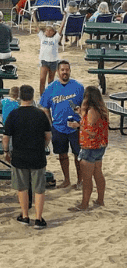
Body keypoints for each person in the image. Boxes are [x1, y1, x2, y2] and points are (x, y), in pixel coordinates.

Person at [2, 84, 52, 228]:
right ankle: (38, 218)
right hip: (37, 154)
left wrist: (6, 151)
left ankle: (25, 215)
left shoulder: (14, 114)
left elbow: (6, 137)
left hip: (19, 155)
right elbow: (47, 135)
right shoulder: (40, 114)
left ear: (19, 97)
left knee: (22, 187)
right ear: (32, 96)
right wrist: (43, 145)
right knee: (39, 188)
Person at [39, 60, 84, 189]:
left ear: (70, 71)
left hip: (75, 127)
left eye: (67, 69)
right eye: (62, 70)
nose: (65, 72)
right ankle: (66, 179)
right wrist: (50, 123)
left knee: (78, 155)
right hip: (58, 127)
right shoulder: (51, 88)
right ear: (58, 71)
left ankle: (80, 180)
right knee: (62, 155)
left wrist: (81, 122)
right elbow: (45, 107)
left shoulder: (79, 87)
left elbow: (85, 107)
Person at [70, 85, 108, 211]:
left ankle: (84, 204)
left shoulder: (92, 111)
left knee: (87, 179)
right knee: (98, 173)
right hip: (99, 146)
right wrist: (80, 113)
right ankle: (100, 200)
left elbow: (91, 132)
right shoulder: (101, 109)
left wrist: (78, 126)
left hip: (89, 146)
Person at [37, 20, 63, 96]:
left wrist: (65, 18)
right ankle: (42, 95)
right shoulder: (42, 38)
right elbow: (37, 27)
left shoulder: (55, 38)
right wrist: (33, 15)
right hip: (44, 61)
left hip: (53, 61)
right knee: (42, 79)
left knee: (50, 80)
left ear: (53, 32)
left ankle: (49, 95)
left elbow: (61, 28)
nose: (48, 32)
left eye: (50, 30)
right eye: (46, 30)